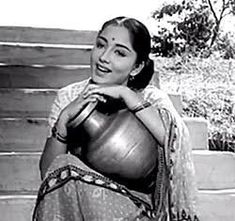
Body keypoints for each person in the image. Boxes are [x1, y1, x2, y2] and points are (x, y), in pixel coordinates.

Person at [33, 16, 200, 221]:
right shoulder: (69, 96)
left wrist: (126, 95)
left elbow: (175, 142)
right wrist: (64, 119)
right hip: (80, 205)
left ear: (137, 66)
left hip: (139, 210)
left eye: (119, 53)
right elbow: (49, 175)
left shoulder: (150, 98)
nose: (104, 57)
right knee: (65, 166)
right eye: (100, 45)